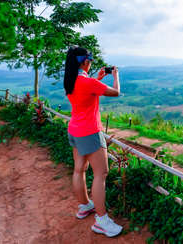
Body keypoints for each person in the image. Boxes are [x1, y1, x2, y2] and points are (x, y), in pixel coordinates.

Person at [63, 46, 122, 237]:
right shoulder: (86, 82)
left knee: (79, 169)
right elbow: (116, 92)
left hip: (75, 129)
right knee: (101, 174)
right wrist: (115, 76)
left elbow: (86, 91)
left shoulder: (71, 80)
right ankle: (102, 220)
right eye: (90, 60)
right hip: (89, 132)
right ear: (85, 61)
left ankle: (84, 206)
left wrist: (97, 78)